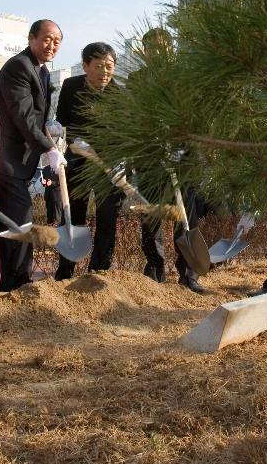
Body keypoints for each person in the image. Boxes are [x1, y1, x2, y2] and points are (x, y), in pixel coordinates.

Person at [131, 27, 205, 293]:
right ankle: (155, 268)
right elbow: (134, 116)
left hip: (183, 159)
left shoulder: (184, 78)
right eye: (151, 49)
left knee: (185, 216)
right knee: (152, 215)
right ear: (145, 52)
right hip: (151, 159)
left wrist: (180, 145)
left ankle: (188, 273)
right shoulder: (136, 79)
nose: (156, 53)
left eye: (162, 48)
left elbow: (194, 114)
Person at [0, 18, 63, 291]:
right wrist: (49, 148)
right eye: (46, 39)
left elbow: (37, 117)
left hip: (22, 162)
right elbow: (22, 116)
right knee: (19, 220)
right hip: (6, 159)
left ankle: (9, 281)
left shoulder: (42, 72)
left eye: (57, 42)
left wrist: (49, 133)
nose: (51, 45)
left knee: (14, 221)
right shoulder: (19, 67)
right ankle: (16, 283)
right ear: (31, 38)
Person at [54, 42, 119, 278]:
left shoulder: (119, 94)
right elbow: (62, 122)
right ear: (85, 66)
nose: (104, 72)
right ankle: (65, 270)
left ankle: (99, 271)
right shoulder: (71, 86)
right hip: (77, 162)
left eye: (109, 66)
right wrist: (59, 143)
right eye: (99, 66)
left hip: (107, 166)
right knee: (73, 214)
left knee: (107, 217)